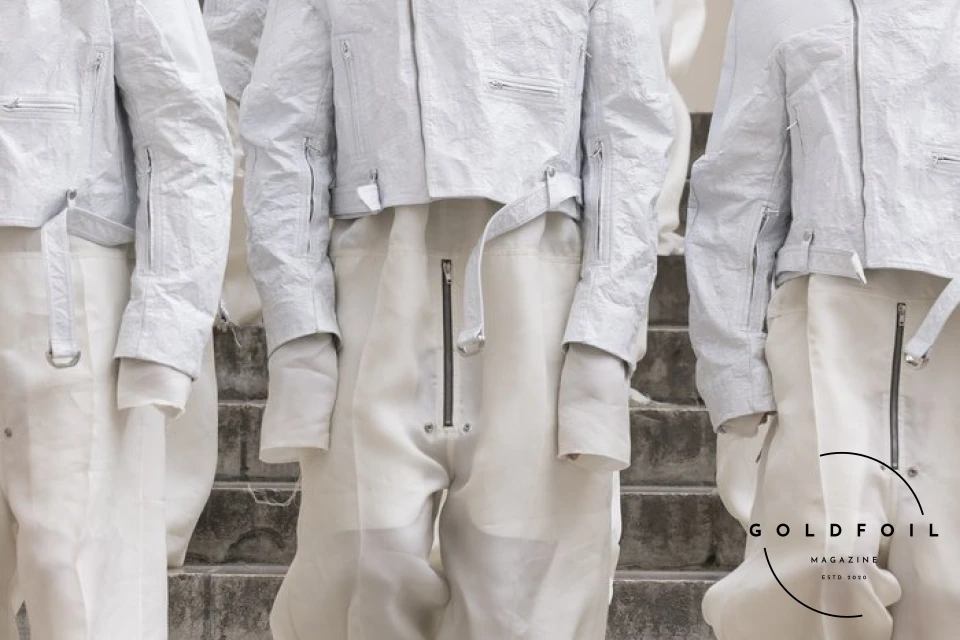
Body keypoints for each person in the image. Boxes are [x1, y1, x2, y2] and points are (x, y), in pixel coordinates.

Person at [241, 0, 673, 637]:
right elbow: (284, 128)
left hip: (539, 282)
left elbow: (628, 134)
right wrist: (298, 324)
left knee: (529, 597)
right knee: (357, 575)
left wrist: (604, 333)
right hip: (375, 273)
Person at [686, 1, 960, 637]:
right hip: (822, 315)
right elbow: (736, 190)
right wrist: (734, 379)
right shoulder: (779, 9)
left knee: (949, 590)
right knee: (820, 576)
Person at [0, 0, 231, 637]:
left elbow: (187, 135)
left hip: (70, 283)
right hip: (65, 277)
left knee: (79, 580)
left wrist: (166, 328)